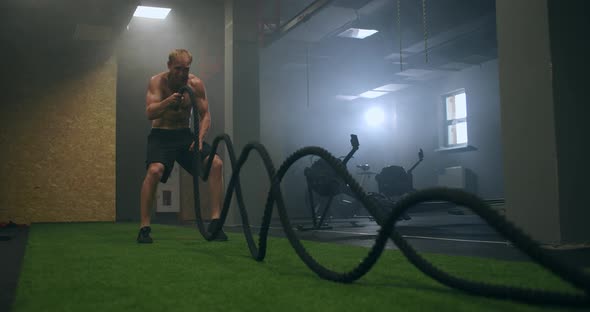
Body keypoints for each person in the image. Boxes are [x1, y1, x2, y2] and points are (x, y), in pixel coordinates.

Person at [137, 49, 227, 243]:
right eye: (178, 69)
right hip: (161, 135)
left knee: (216, 164)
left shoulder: (195, 84)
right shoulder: (157, 82)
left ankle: (215, 222)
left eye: (186, 69)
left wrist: (200, 137)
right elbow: (150, 113)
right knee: (154, 171)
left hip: (185, 135)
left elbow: (205, 116)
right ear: (169, 66)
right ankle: (144, 227)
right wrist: (167, 103)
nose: (182, 74)